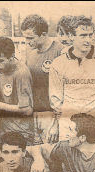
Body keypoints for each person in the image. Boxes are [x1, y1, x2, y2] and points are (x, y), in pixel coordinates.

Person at [49, 16, 95, 144]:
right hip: (69, 125)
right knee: (70, 162)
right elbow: (56, 100)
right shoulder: (58, 64)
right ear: (71, 36)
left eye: (90, 35)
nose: (87, 40)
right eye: (83, 35)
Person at [21, 14, 65, 145]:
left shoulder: (60, 51)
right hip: (32, 115)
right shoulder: (29, 51)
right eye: (25, 38)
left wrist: (57, 123)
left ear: (43, 34)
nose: (27, 41)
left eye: (30, 38)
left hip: (51, 115)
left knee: (51, 158)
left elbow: (64, 91)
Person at [0, 37, 35, 146]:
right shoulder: (1, 69)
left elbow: (27, 110)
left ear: (11, 57)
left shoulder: (21, 73)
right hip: (4, 133)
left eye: (0, 60)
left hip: (21, 134)